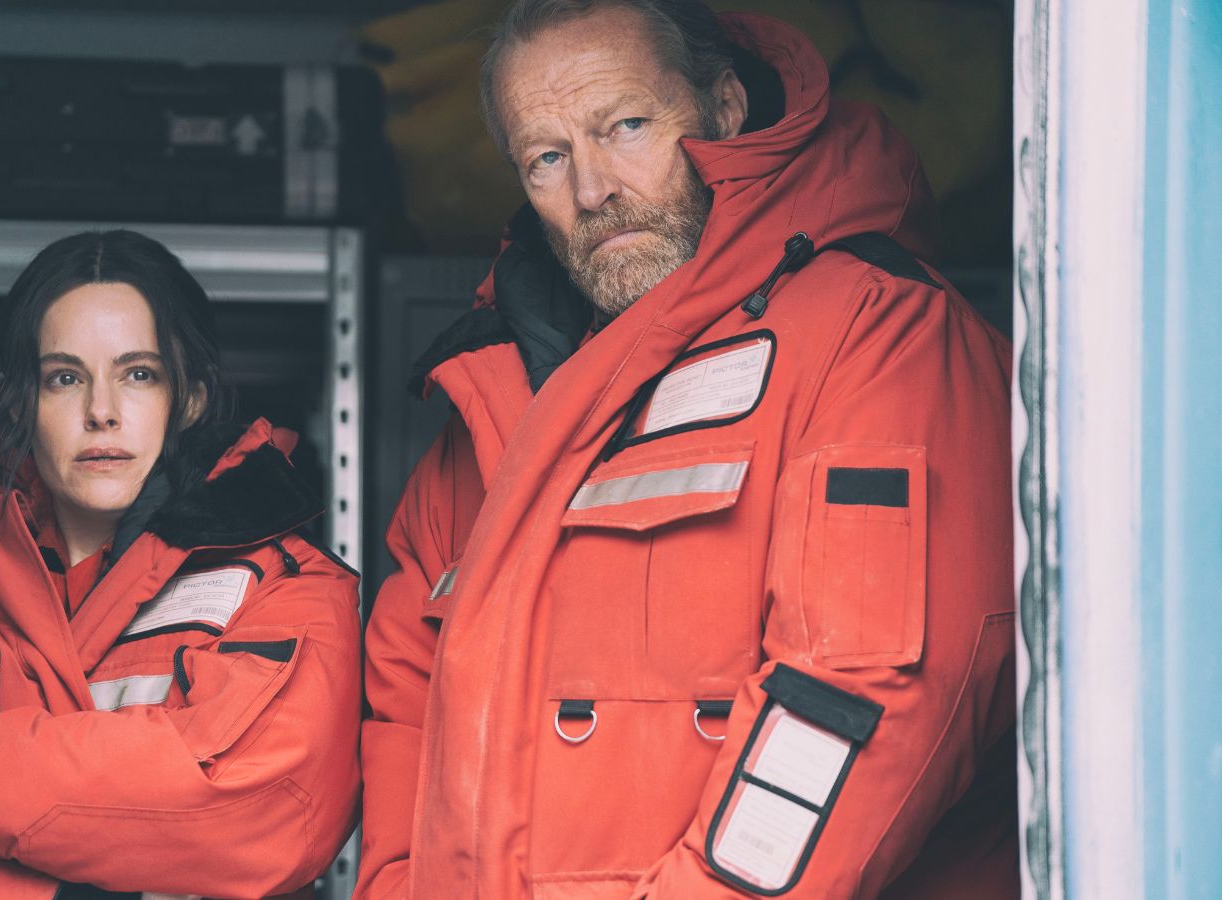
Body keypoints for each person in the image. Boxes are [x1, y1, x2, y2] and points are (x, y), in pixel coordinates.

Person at [357, 2, 1016, 898]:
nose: (593, 190)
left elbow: (856, 704)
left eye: (625, 126)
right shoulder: (490, 402)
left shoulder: (878, 335)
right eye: (547, 157)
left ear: (726, 108)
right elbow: (405, 703)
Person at [0, 230, 362, 899]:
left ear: (190, 399)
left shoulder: (286, 596)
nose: (101, 412)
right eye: (65, 378)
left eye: (138, 374)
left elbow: (267, 815)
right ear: (24, 401)